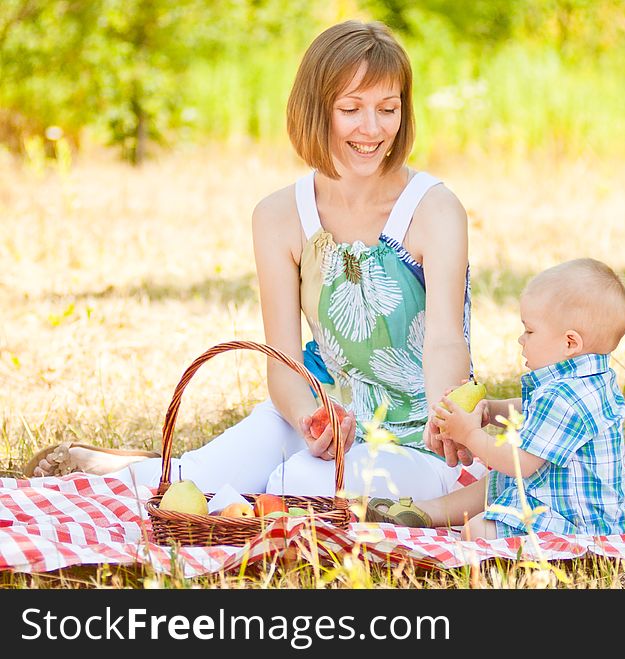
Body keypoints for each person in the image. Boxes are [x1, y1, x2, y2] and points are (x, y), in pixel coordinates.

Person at [24, 20, 485, 500]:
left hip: (418, 438)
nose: (372, 129)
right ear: (315, 111)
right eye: (351, 109)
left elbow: (446, 343)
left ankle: (201, 472)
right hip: (328, 412)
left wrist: (447, 418)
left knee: (299, 482)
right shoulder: (279, 217)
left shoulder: (433, 209)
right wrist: (313, 421)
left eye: (388, 109)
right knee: (195, 483)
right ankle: (110, 471)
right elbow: (284, 363)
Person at [366, 258, 625, 540]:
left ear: (570, 343)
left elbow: (521, 463)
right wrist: (491, 411)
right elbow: (532, 411)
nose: (521, 340)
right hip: (566, 498)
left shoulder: (565, 397)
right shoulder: (588, 381)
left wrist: (469, 434)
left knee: (478, 528)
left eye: (530, 331)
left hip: (577, 522)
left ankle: (437, 514)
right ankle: (428, 512)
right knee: (500, 483)